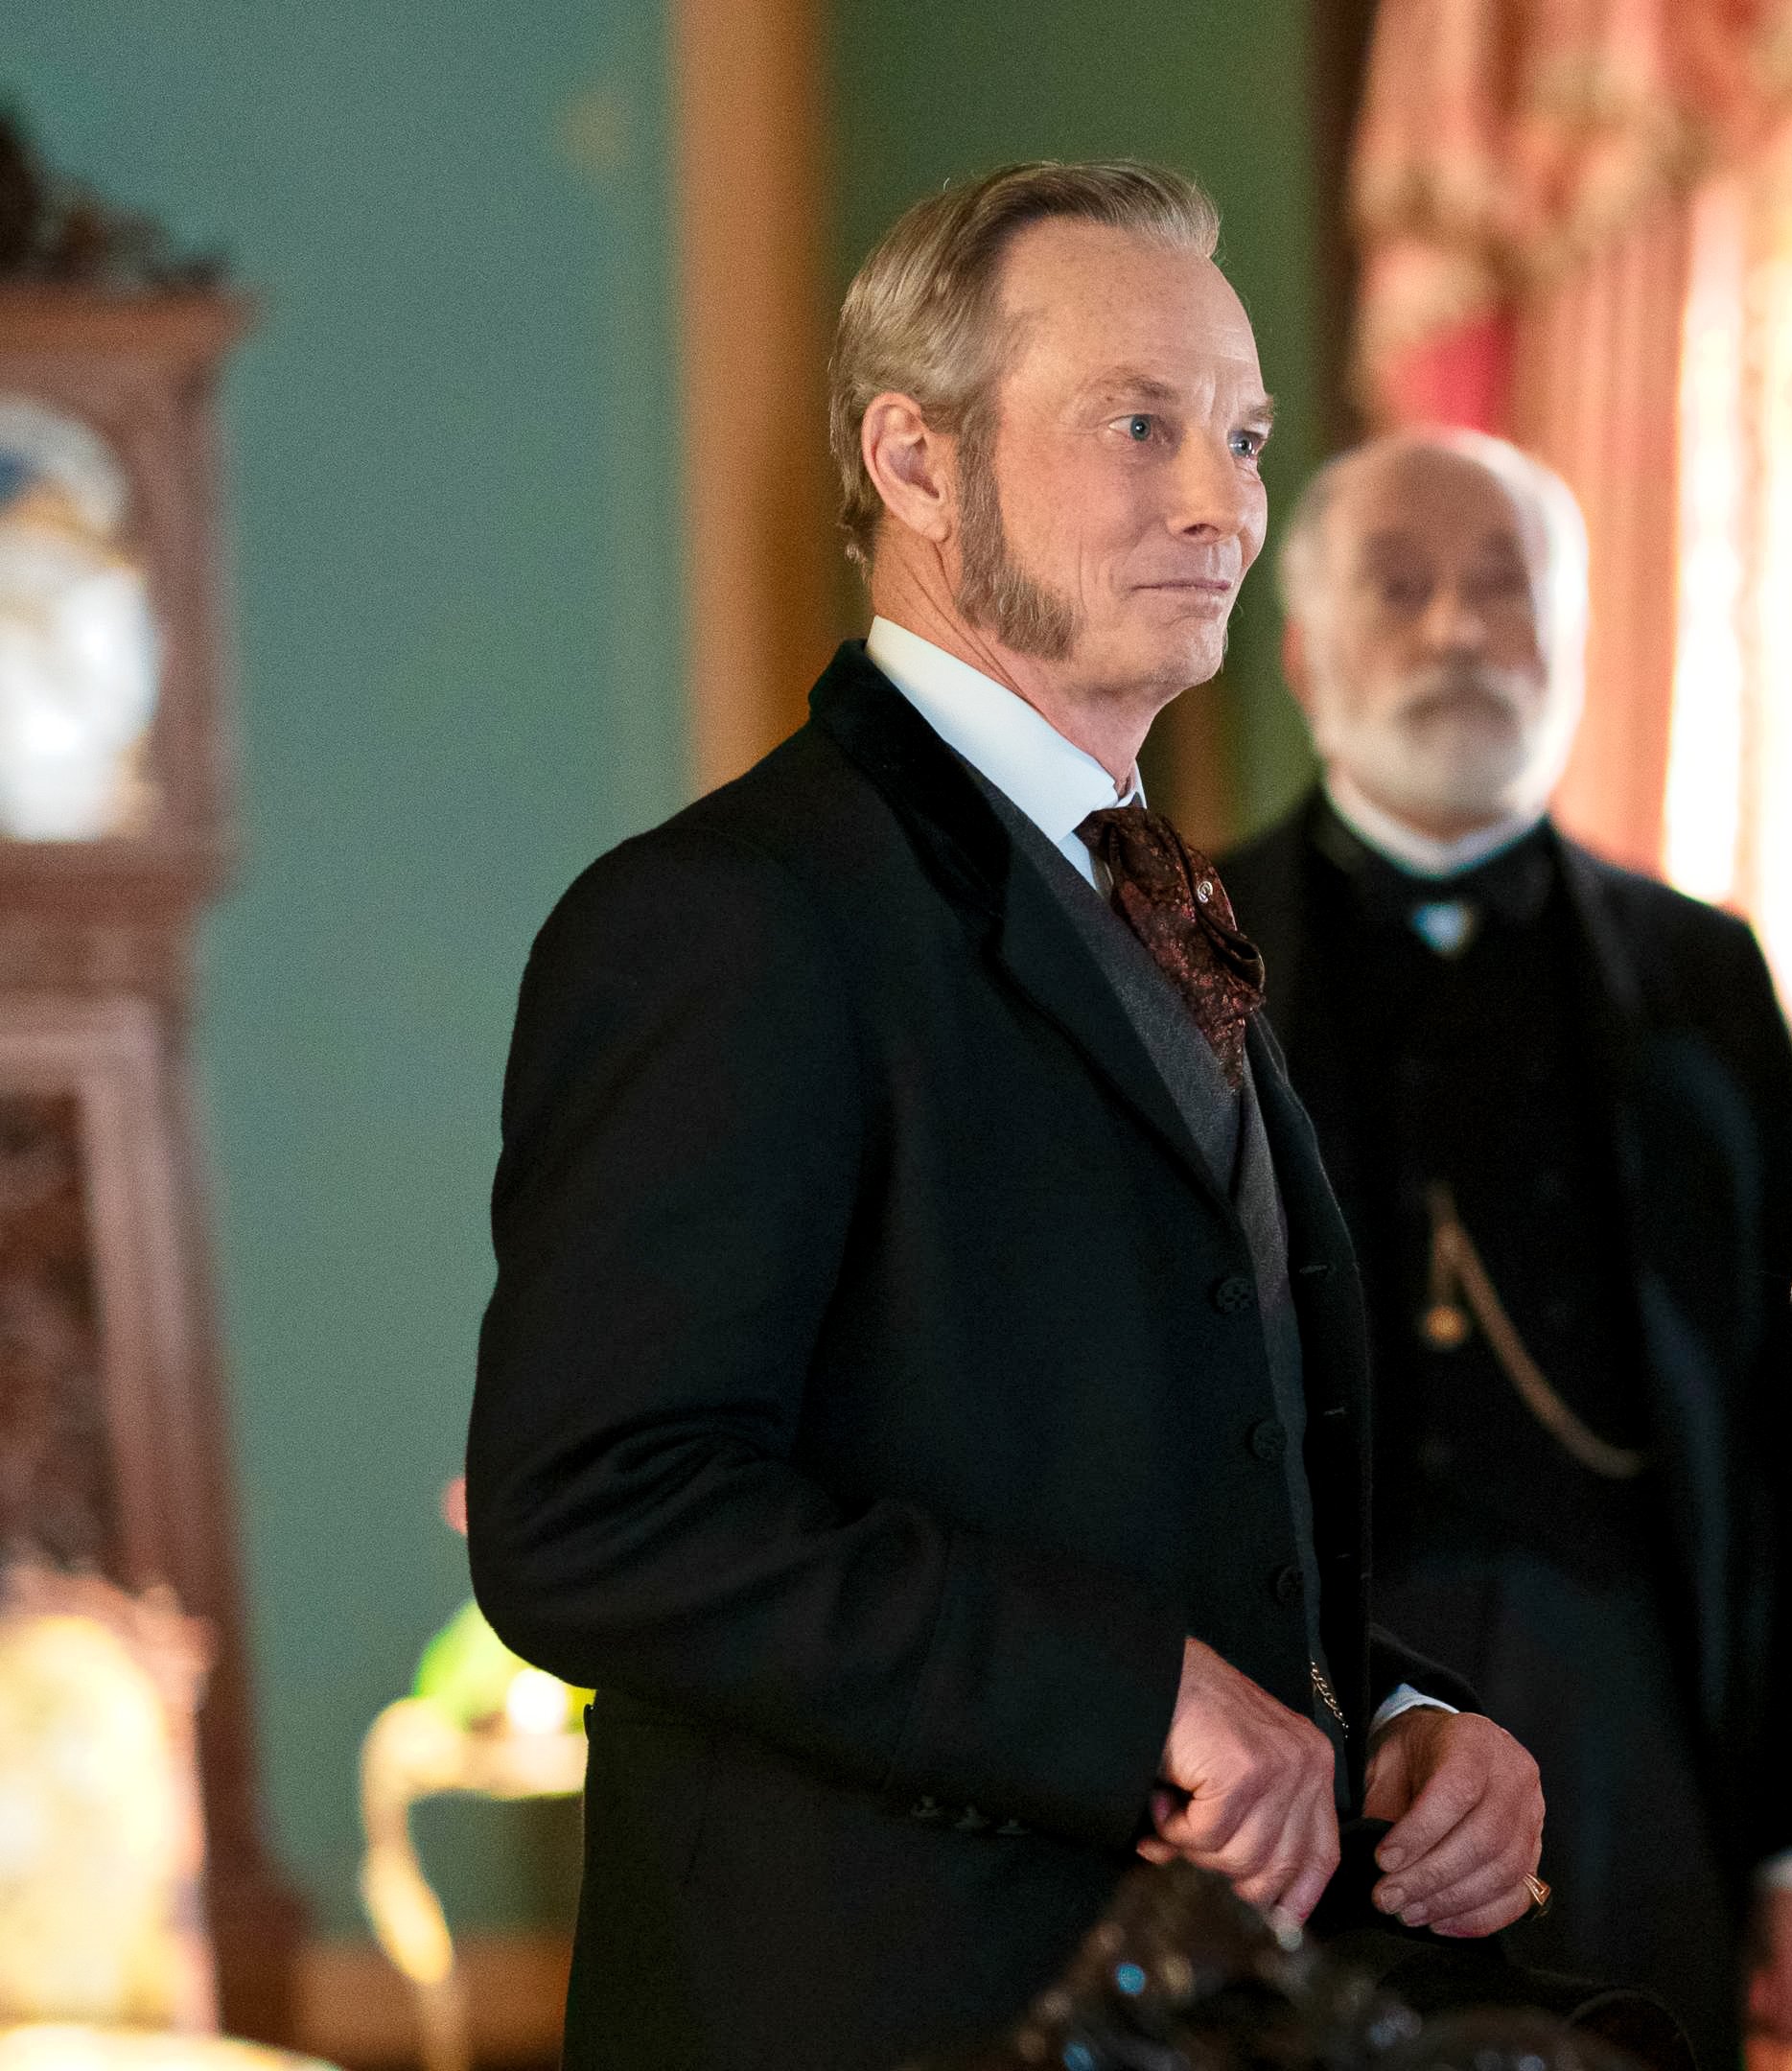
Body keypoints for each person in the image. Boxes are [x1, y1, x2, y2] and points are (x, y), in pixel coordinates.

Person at [466, 163, 1546, 2070]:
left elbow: (1161, 1477)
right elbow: (593, 1516)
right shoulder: (727, 918)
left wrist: (1390, 1723)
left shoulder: (1146, 890)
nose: (1220, 502)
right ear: (915, 458)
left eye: (1244, 438)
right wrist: (1135, 1701)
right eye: (1139, 426)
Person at [1216, 428, 1792, 2066]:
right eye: (1400, 588)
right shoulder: (1183, 952)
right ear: (1304, 653)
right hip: (1293, 1711)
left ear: (1572, 641)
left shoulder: (1703, 976)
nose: (1456, 629)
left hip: (1633, 1709)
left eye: (1501, 589)